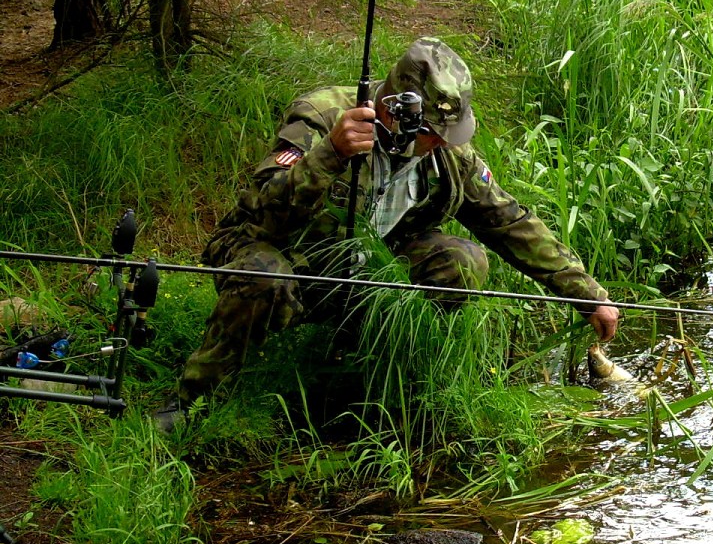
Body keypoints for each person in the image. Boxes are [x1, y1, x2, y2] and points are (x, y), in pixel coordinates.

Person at [155, 37, 618, 431]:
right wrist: (330, 155)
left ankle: (378, 383)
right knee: (264, 276)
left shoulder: (448, 154)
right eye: (433, 131)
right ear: (395, 112)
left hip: (369, 267)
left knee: (462, 259)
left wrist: (587, 294)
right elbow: (262, 213)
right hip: (288, 255)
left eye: (448, 131)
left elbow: (509, 222)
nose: (442, 141)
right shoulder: (320, 118)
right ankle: (192, 401)